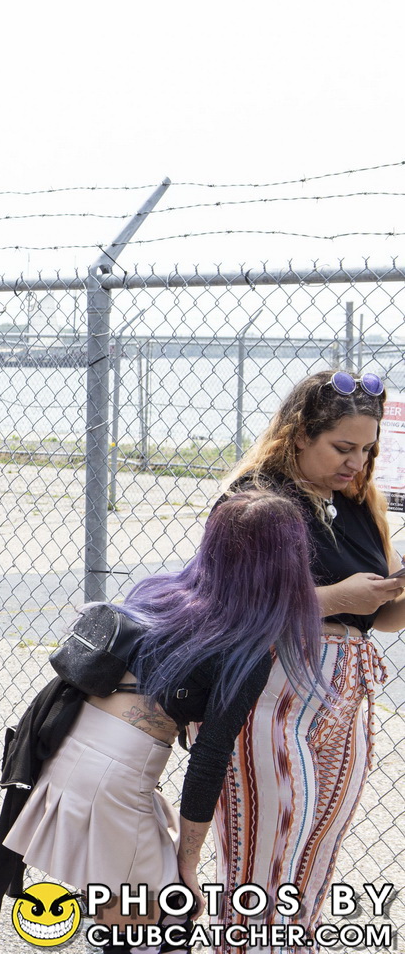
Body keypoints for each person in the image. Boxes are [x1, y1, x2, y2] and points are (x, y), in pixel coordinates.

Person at [0, 491, 326, 949]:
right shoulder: (246, 650)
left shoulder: (157, 593)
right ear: (288, 564)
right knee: (161, 928)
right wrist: (188, 865)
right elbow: (208, 760)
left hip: (67, 757)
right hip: (116, 781)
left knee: (123, 922)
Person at [211, 369, 405, 946]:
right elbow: (230, 605)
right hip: (269, 687)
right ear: (299, 434)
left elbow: (381, 619)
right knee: (261, 858)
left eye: (367, 450)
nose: (357, 463)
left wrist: (392, 593)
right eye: (343, 447)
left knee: (315, 859)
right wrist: (338, 598)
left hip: (346, 695)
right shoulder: (254, 501)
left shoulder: (358, 504)